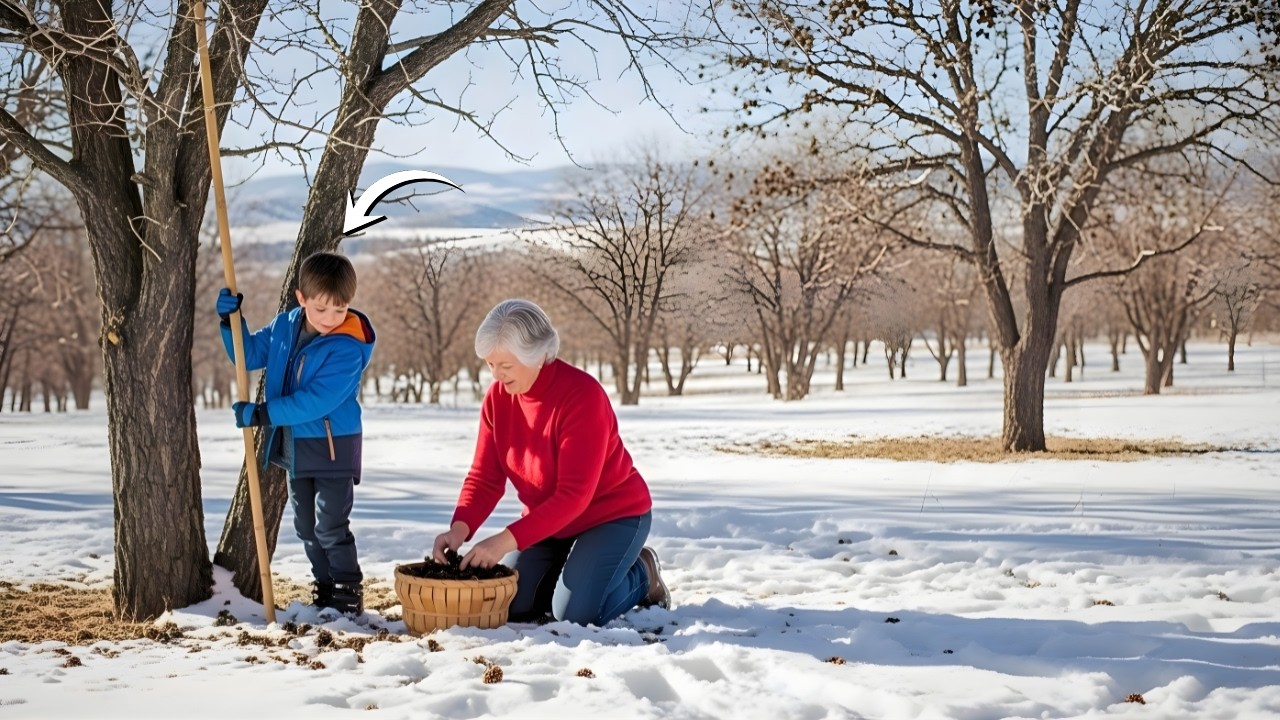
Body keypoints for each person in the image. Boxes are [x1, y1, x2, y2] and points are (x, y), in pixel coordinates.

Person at [432, 299, 671, 626]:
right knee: (509, 604)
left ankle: (643, 574)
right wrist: (460, 528)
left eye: (506, 365)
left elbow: (574, 496)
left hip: (612, 515)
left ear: (537, 356)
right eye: (490, 364)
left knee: (575, 615)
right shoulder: (497, 399)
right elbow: (485, 477)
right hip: (549, 522)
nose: (496, 375)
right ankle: (575, 573)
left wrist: (503, 541)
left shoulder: (582, 396)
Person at [215, 251, 376, 615]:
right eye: (321, 309)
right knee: (306, 527)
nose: (331, 319)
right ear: (301, 299)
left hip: (334, 446)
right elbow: (250, 354)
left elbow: (316, 401)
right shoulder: (285, 326)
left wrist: (262, 413)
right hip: (296, 447)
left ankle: (347, 594)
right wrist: (230, 321)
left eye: (340, 309)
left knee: (331, 526)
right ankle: (325, 588)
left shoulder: (348, 346)